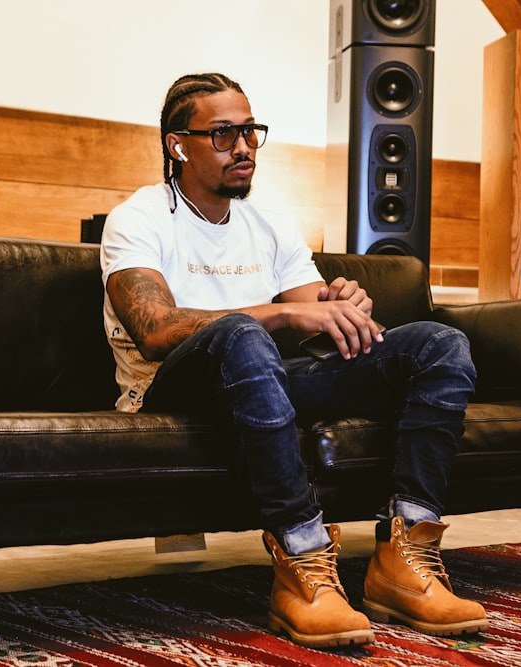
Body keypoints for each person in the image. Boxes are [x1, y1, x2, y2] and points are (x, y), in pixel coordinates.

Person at [100, 72, 487, 648]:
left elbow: (315, 313)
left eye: (250, 132)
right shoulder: (138, 218)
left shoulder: (270, 222)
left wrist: (341, 306)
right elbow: (155, 330)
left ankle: (405, 557)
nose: (244, 148)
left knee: (438, 343)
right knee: (242, 333)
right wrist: (280, 316)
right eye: (224, 134)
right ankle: (303, 564)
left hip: (264, 382)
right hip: (166, 392)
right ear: (177, 144)